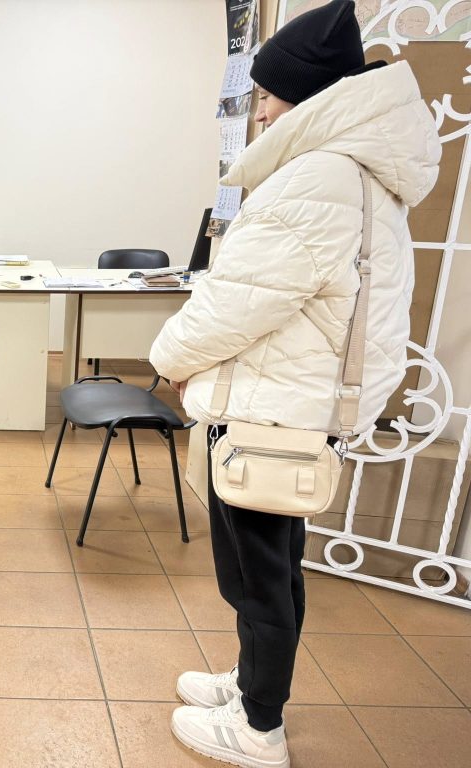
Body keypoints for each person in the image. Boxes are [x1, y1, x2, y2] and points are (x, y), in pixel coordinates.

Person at [149, 2, 441, 766]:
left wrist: (169, 357)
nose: (260, 111)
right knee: (272, 567)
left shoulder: (319, 178)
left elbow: (234, 304)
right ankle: (252, 683)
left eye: (269, 95)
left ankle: (259, 728)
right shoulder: (353, 172)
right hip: (291, 404)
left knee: (260, 578)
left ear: (308, 96)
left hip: (273, 410)